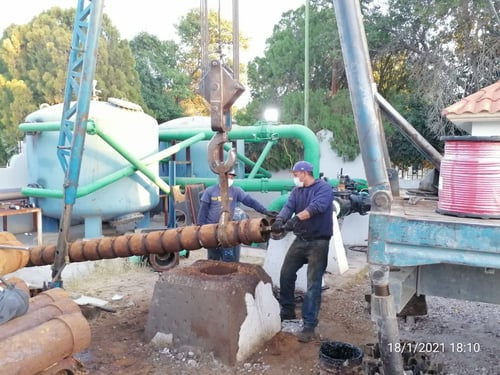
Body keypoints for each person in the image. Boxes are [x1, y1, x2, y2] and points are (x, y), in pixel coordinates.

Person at [271, 160, 334, 343]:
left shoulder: (323, 189)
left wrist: (294, 221)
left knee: (313, 284)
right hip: (301, 240)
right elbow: (288, 206)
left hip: (319, 242)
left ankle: (309, 325)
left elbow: (316, 208)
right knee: (286, 274)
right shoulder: (296, 192)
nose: (294, 177)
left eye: (296, 174)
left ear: (305, 173)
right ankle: (287, 311)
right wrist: (280, 219)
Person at [197, 169, 276, 262]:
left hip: (227, 231)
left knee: (229, 259)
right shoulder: (210, 191)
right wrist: (200, 229)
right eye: (228, 176)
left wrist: (264, 211)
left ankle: (228, 275)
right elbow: (203, 211)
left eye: (232, 177)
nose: (230, 179)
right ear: (222, 177)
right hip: (212, 232)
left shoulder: (236, 191)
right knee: (213, 259)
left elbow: (250, 201)